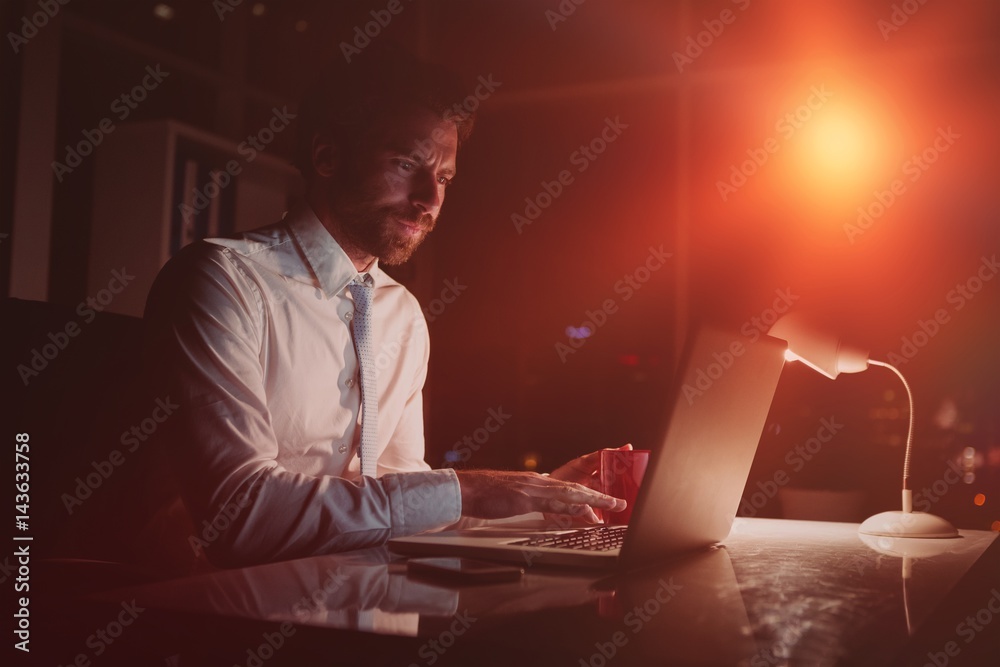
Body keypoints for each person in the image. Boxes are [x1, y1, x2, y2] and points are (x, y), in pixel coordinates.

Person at [143, 45, 625, 568]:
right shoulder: (221, 281)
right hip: (218, 612)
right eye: (405, 164)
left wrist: (543, 499)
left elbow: (399, 498)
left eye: (443, 178)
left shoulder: (401, 313)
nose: (429, 199)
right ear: (326, 157)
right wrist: (466, 489)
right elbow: (238, 517)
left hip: (359, 604)